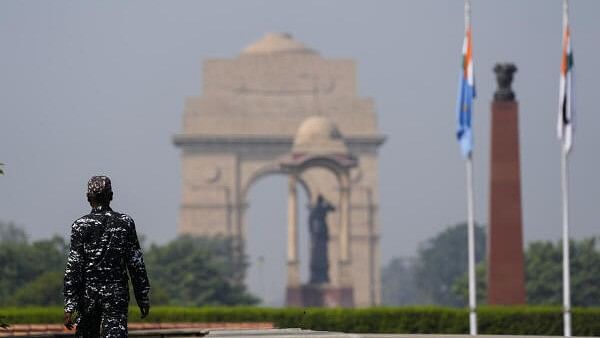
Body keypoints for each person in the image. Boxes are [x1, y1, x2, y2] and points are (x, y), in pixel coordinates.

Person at [64, 176, 150, 337]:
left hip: (88, 296)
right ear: (111, 196)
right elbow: (136, 264)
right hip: (116, 295)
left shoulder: (80, 225)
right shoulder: (125, 223)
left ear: (88, 197)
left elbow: (74, 267)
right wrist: (142, 297)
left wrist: (70, 305)